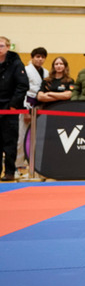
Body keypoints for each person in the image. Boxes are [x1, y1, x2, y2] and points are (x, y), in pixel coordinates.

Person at [0, 37, 28, 182]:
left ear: (8, 47)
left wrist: (13, 104)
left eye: (1, 45)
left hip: (9, 108)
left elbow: (22, 85)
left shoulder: (16, 64)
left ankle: (10, 171)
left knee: (10, 142)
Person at [19, 47, 47, 173]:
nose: (40, 59)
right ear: (32, 57)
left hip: (40, 105)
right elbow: (22, 90)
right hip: (27, 104)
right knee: (22, 136)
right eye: (37, 57)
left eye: (42, 57)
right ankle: (18, 163)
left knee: (35, 136)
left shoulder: (46, 72)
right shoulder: (25, 70)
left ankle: (32, 162)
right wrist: (25, 110)